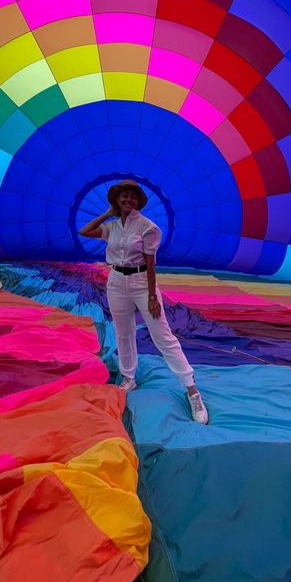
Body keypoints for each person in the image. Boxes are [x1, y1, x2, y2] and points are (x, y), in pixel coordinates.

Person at [79, 179, 209, 424]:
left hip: (140, 282)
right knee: (124, 333)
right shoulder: (112, 226)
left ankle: (191, 389)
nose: (128, 200)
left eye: (133, 197)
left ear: (138, 202)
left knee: (163, 335)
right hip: (116, 281)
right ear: (117, 200)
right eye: (123, 197)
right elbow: (84, 231)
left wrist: (152, 296)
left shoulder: (148, 228)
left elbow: (151, 264)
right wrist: (108, 213)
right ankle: (129, 377)